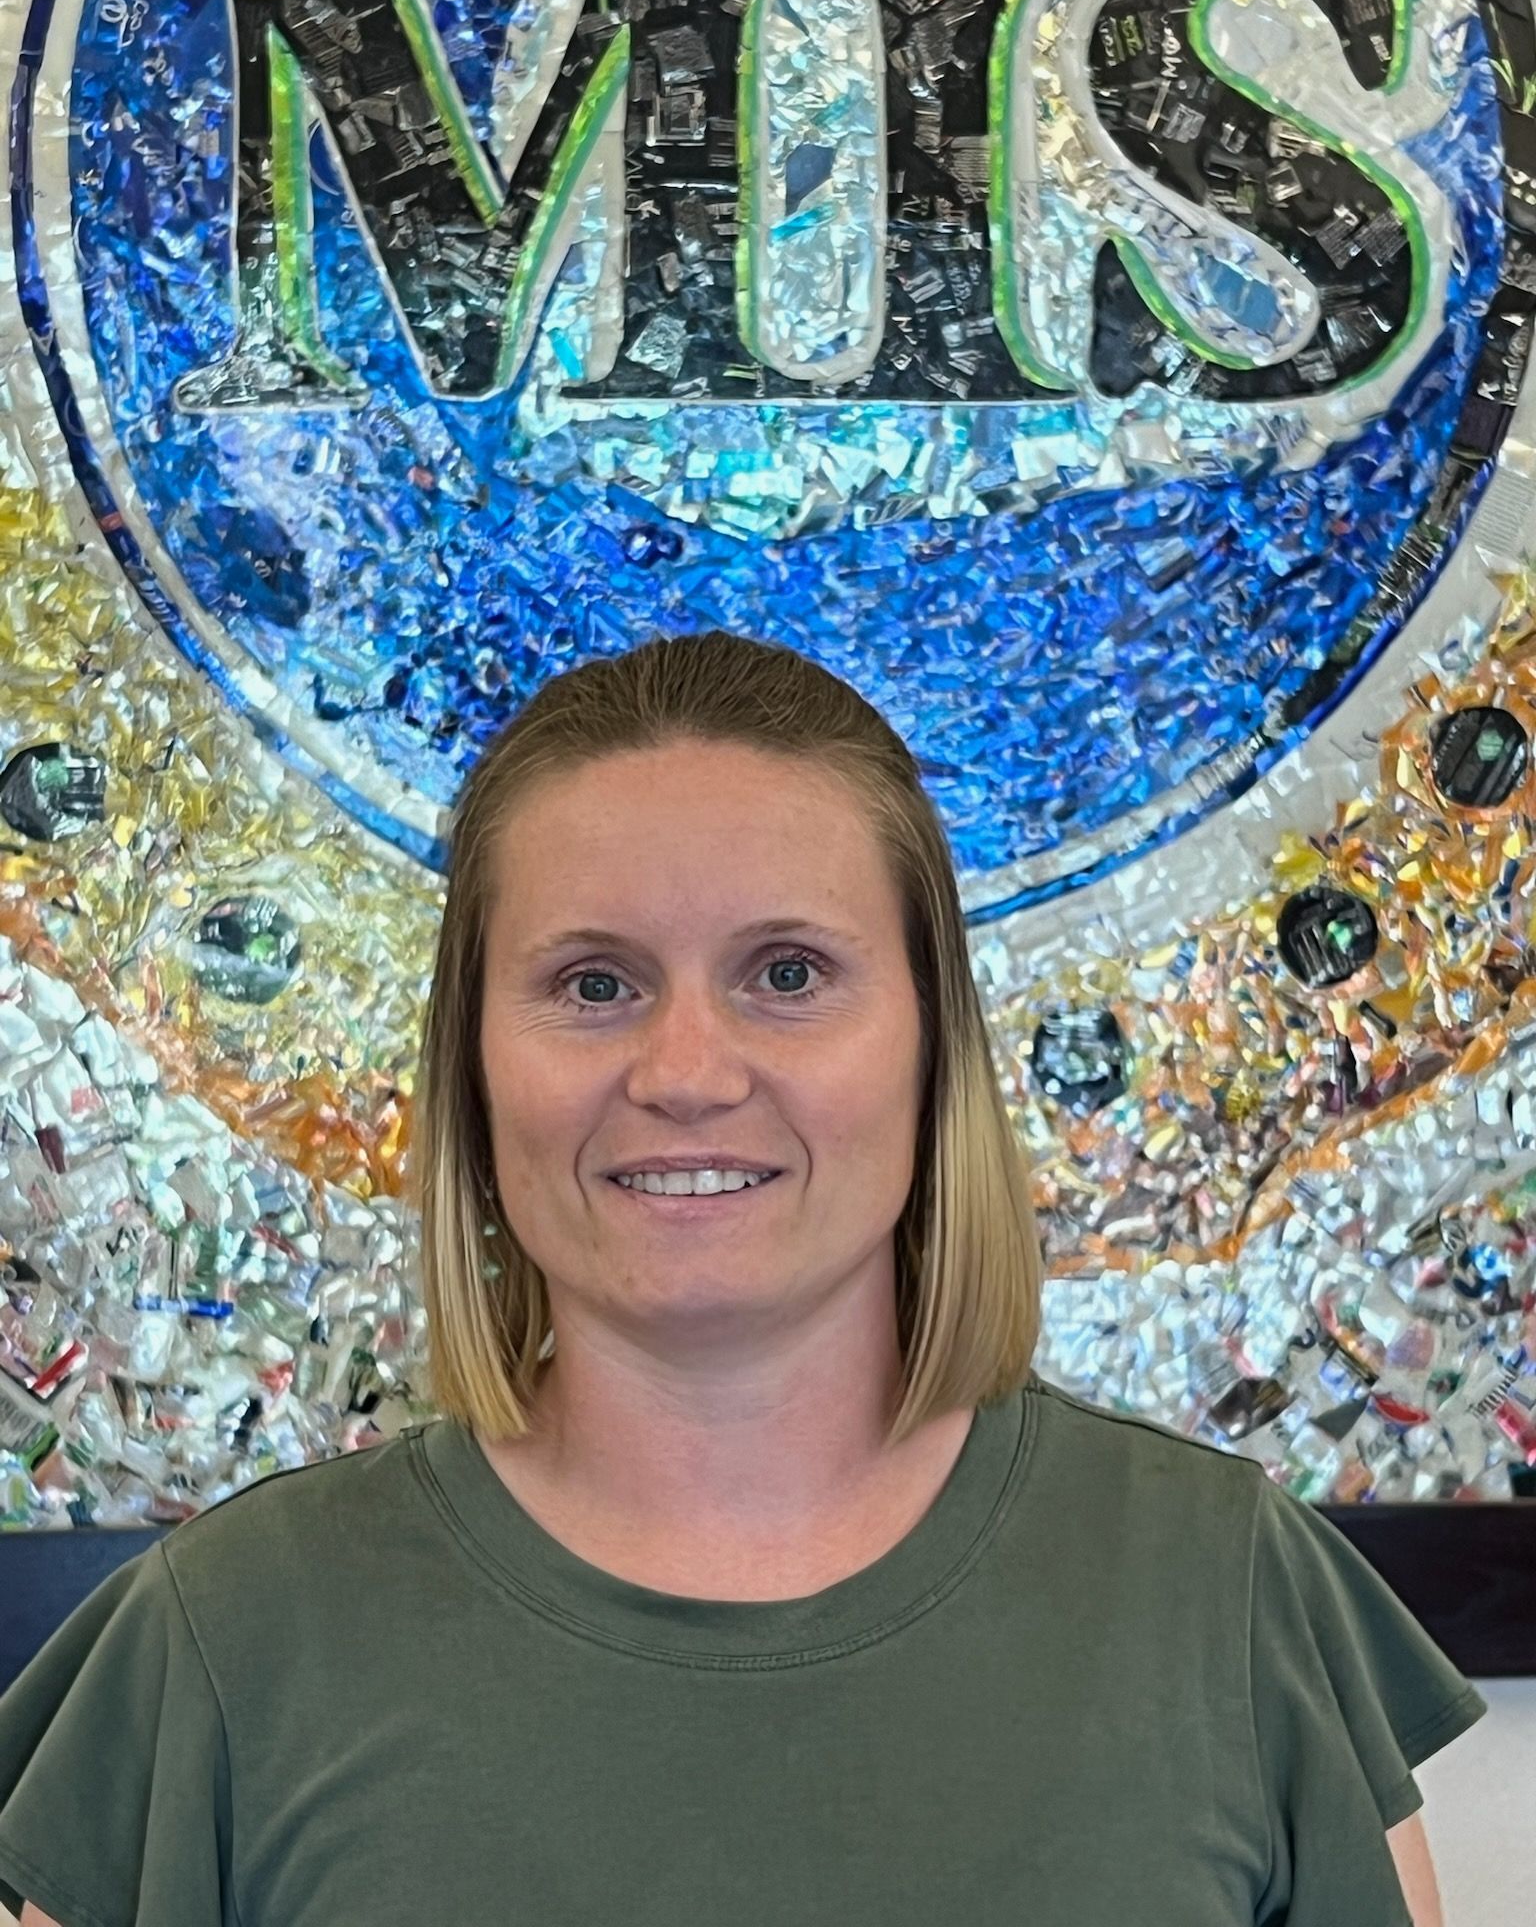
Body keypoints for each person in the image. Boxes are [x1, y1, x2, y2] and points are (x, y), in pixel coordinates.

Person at [0, 629, 1485, 1925]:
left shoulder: (1224, 1594)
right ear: (472, 1065)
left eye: (788, 973)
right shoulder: (228, 1640)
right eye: (594, 983)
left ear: (930, 1048)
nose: (688, 1074)